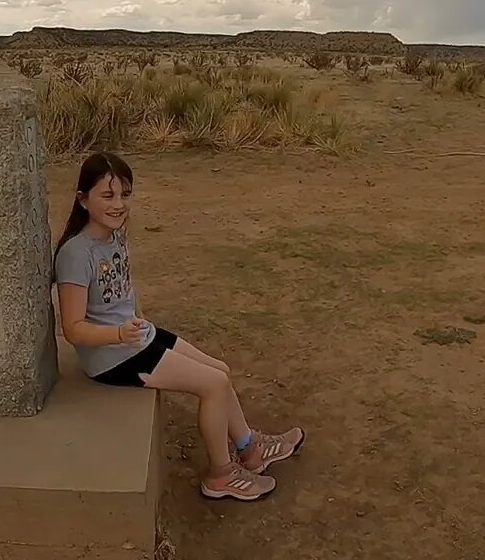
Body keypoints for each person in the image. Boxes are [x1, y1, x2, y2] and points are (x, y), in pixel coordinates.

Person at [53, 151, 304, 501]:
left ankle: (250, 449)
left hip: (135, 337)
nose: (118, 204)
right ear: (82, 199)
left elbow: (125, 290)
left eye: (125, 194)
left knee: (220, 370)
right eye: (107, 195)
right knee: (214, 384)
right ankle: (221, 475)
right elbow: (73, 329)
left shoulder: (115, 235)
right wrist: (119, 334)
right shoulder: (75, 254)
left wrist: (135, 321)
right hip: (111, 357)